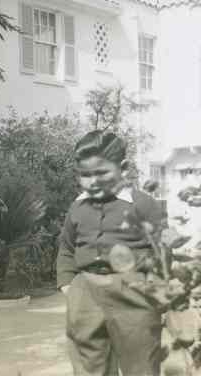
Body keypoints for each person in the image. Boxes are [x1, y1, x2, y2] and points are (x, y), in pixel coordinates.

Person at [57, 130, 164, 376]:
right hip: (85, 292)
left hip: (133, 293)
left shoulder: (143, 204)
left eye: (101, 173)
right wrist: (68, 285)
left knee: (141, 364)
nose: (92, 182)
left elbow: (162, 251)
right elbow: (67, 246)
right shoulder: (78, 205)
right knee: (89, 365)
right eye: (85, 175)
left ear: (123, 168)